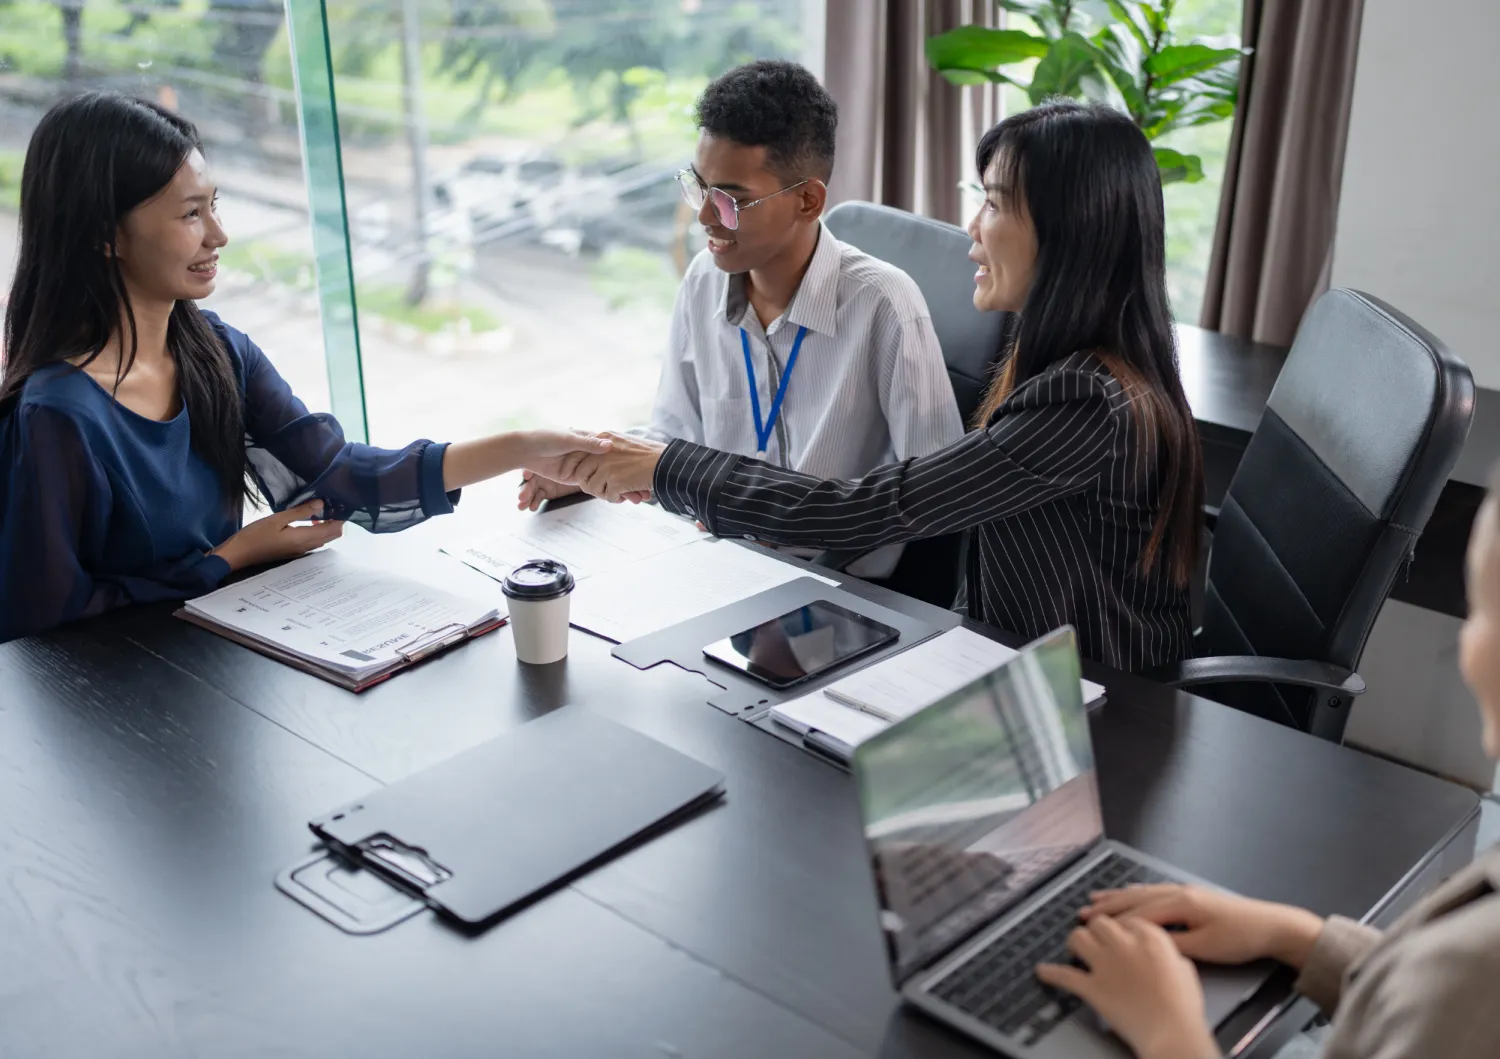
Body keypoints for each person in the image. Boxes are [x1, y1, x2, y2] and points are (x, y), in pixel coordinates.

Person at [549, 100, 1205, 673]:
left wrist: (667, 467)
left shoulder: (1086, 403)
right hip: (1006, 652)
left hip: (1097, 710)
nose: (972, 230)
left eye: (995, 204)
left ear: (1073, 231)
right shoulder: (1067, 363)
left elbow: (861, 508)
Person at [0, 92, 609, 644]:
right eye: (191, 215)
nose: (220, 235)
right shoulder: (58, 413)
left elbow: (347, 475)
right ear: (107, 237)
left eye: (215, 206)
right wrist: (231, 557)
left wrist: (525, 444)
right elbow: (46, 616)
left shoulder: (216, 351)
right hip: (119, 702)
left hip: (220, 660)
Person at [1026, 474, 1500, 1059]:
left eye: (1480, 609)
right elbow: (1441, 1004)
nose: (1462, 646)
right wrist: (1298, 936)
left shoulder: (1474, 989)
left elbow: (1461, 1003)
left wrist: (1173, 1043)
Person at [518, 59, 963, 578]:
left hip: (832, 587)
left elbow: (936, 498)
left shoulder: (883, 304)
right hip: (718, 564)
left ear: (807, 200)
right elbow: (675, 434)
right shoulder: (704, 279)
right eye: (698, 187)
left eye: (731, 199)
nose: (706, 216)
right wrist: (590, 464)